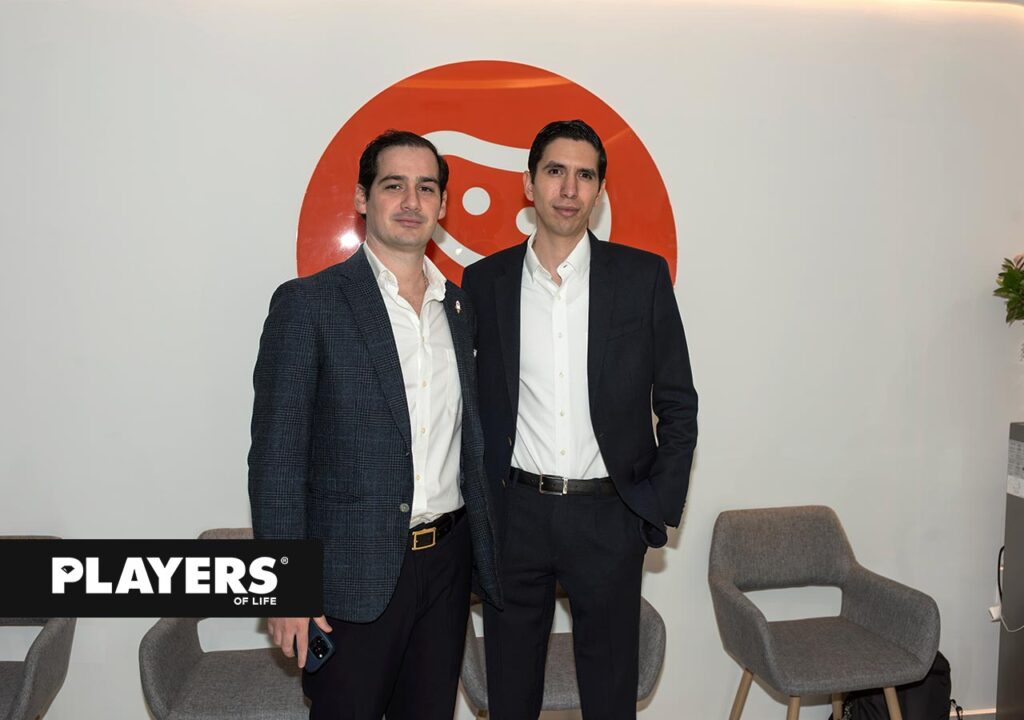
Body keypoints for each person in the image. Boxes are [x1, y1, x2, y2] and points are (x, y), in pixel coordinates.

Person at [248, 129, 501, 720]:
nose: (412, 201)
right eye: (394, 186)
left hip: (446, 566)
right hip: (349, 575)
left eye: (426, 188)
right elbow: (277, 460)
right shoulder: (309, 304)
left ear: (442, 205)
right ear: (363, 198)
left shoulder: (459, 309)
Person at [461, 119, 698, 720]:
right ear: (529, 184)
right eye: (555, 172)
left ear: (600, 191)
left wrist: (652, 506)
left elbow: (678, 402)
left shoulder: (641, 277)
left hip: (609, 517)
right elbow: (468, 405)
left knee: (611, 695)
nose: (569, 189)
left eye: (585, 175)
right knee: (510, 694)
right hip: (516, 516)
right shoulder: (484, 282)